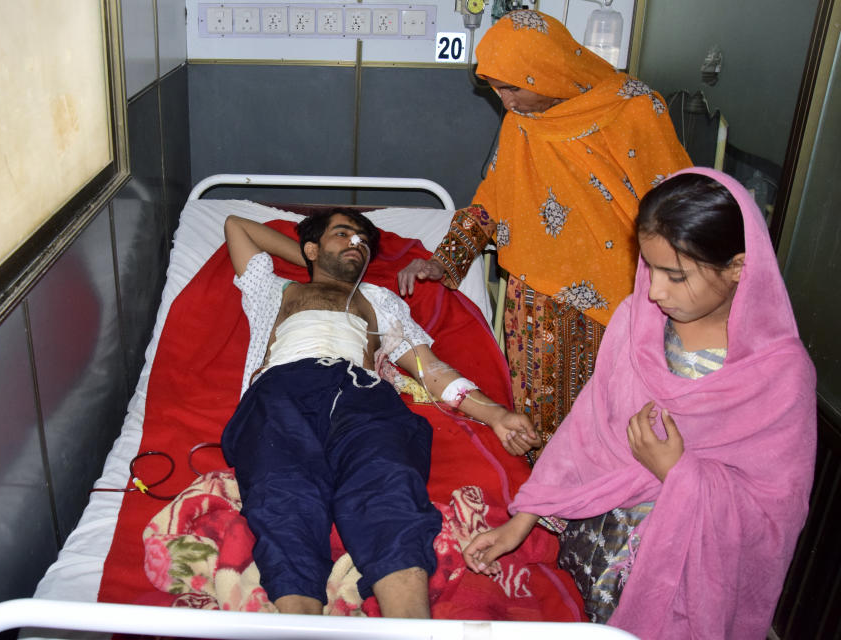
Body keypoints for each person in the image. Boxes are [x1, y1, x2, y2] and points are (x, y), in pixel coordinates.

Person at [461, 168, 817, 638]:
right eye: (649, 268)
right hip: (592, 554)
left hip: (681, 582)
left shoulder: (778, 374)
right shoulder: (637, 321)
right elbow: (584, 432)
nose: (654, 291)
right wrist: (518, 525)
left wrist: (679, 472)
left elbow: (773, 514)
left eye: (676, 275)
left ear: (738, 267)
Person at [220, 210, 540, 617]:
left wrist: (495, 414)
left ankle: (410, 626)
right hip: (280, 394)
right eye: (343, 234)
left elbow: (430, 369)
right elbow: (236, 225)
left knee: (389, 488)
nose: (357, 244)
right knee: (283, 496)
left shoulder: (378, 299)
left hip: (362, 396)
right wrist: (313, 259)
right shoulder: (272, 290)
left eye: (363, 242)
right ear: (312, 248)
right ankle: (298, 622)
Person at [398, 9, 691, 451]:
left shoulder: (634, 108)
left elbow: (677, 201)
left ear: (548, 71)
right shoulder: (523, 124)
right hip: (535, 306)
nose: (505, 102)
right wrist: (444, 260)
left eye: (513, 87)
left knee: (621, 417)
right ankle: (546, 512)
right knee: (542, 423)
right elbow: (491, 202)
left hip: (626, 297)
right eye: (496, 89)